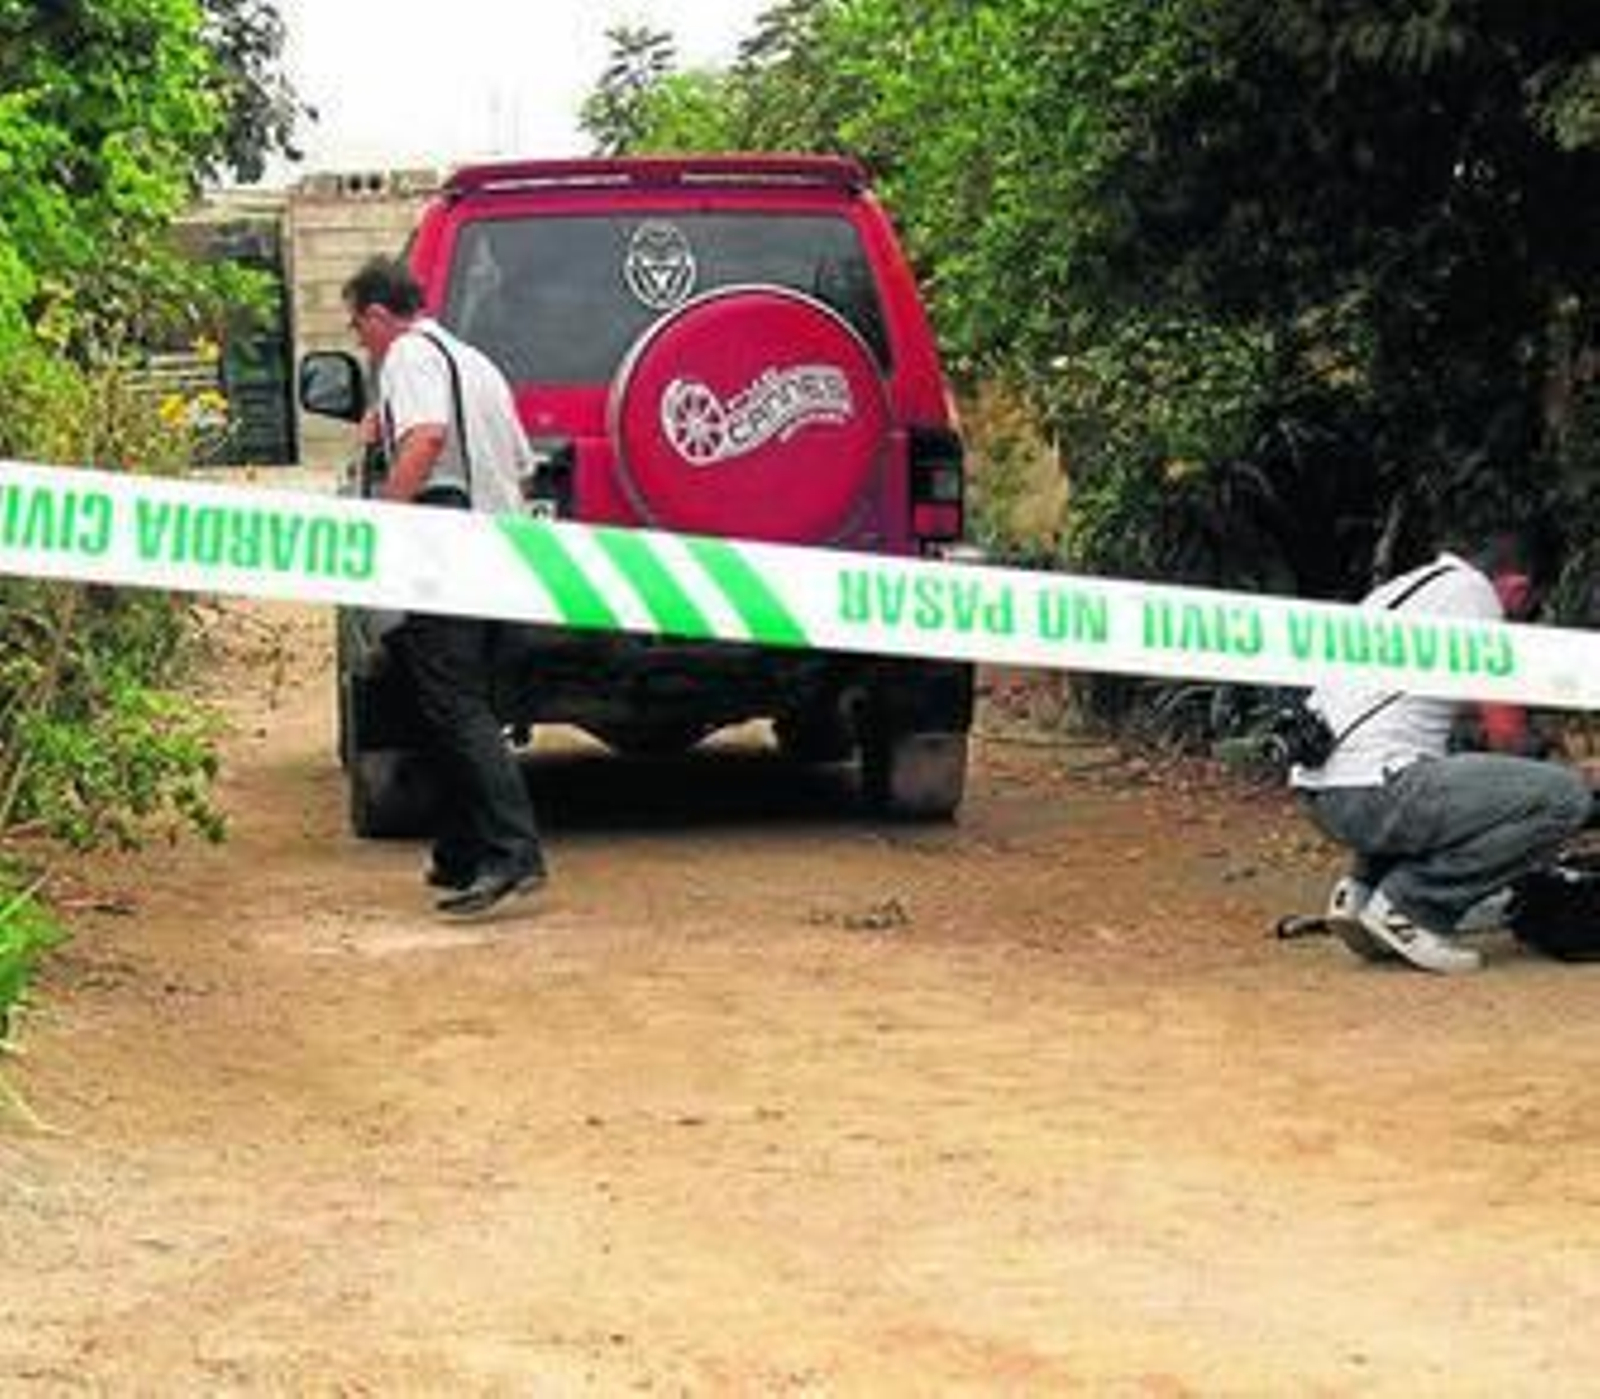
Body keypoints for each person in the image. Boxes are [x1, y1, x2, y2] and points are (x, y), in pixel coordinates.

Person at [344, 255, 548, 917]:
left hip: (445, 548)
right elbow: (520, 468)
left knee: (454, 705)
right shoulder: (475, 361)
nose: (361, 343)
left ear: (378, 314)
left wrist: (385, 517)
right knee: (458, 705)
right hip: (503, 548)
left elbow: (428, 437)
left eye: (357, 328)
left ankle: (513, 852)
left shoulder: (407, 355)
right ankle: (460, 850)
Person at [1291, 526, 1592, 973]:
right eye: (1530, 609)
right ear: (1518, 587)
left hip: (1321, 792)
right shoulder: (1477, 600)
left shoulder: (1409, 588)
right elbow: (1507, 737)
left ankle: (1361, 894)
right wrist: (1574, 770)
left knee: (1434, 757)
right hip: (1376, 795)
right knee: (1565, 799)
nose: (1522, 620)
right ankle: (1412, 907)